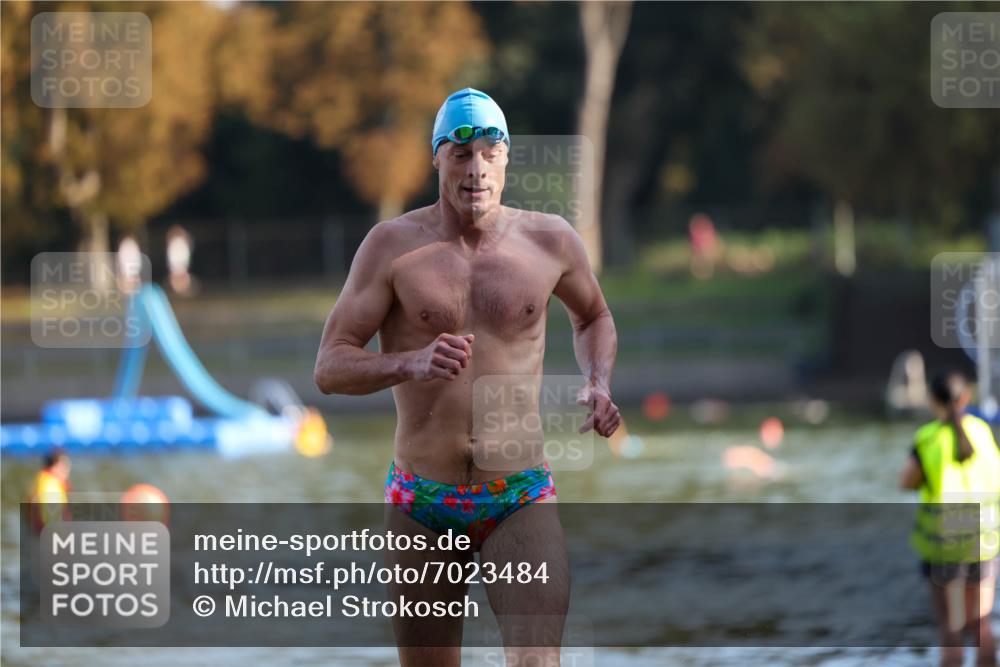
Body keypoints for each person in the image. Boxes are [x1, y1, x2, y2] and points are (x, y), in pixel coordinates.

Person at [314, 88, 620, 666]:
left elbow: (594, 316)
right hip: (421, 502)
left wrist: (598, 380)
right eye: (459, 154)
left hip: (518, 495)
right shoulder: (391, 247)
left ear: (506, 158)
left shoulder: (550, 240)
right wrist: (410, 361)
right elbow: (329, 366)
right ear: (436, 159)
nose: (475, 169)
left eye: (488, 152)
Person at [900, 370, 1000, 667]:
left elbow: (907, 481)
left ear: (932, 401)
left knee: (951, 629)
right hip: (983, 539)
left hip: (945, 545)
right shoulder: (983, 432)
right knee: (981, 626)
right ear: (967, 398)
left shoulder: (928, 438)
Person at [28, 448, 72, 533]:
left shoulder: (42, 479)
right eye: (65, 466)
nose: (68, 470)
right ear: (55, 466)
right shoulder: (51, 488)